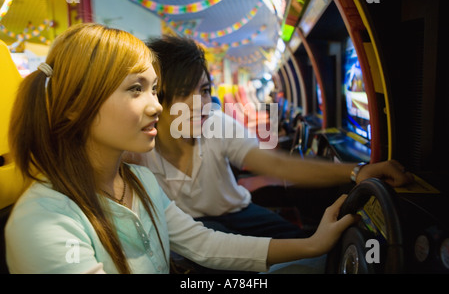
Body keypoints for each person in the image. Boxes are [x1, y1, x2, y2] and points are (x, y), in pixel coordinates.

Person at [5, 23, 357, 274]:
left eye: (153, 89)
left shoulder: (138, 180)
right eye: (135, 89)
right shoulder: (43, 223)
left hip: (232, 217)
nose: (155, 106)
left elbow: (206, 243)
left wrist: (315, 241)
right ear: (75, 106)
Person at [135, 35, 414, 240]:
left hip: (237, 211)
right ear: (158, 98)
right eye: (185, 93)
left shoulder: (216, 123)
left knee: (307, 242)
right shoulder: (136, 147)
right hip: (187, 227)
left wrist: (357, 171)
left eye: (205, 90)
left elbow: (277, 165)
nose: (201, 104)